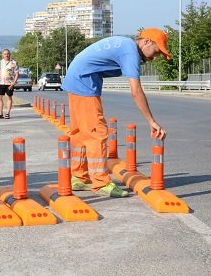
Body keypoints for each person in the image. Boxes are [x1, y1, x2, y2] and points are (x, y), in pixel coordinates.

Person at [62, 28, 170, 198]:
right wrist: (151, 121)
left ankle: (79, 177)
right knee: (98, 132)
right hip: (83, 80)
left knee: (82, 133)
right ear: (147, 41)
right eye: (156, 52)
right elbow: (136, 91)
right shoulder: (130, 52)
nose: (154, 58)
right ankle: (101, 183)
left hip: (78, 76)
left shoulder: (126, 44)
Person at [0, 48, 18, 119]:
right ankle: (0, 113)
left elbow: (16, 73)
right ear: (2, 55)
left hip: (9, 83)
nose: (6, 55)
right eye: (5, 54)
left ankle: (7, 113)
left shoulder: (13, 63)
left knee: (9, 97)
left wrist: (13, 82)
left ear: (10, 54)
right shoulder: (0, 63)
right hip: (1, 83)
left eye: (8, 54)